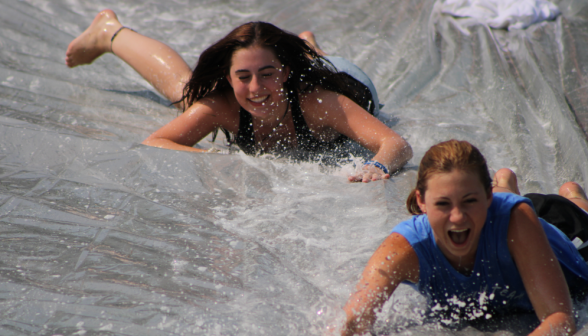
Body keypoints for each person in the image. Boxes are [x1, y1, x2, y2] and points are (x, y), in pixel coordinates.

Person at [65, 10, 413, 183]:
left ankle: (308, 50)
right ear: (229, 79)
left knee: (306, 69)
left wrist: (378, 167)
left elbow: (395, 145)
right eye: (242, 77)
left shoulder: (320, 103)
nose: (256, 89)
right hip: (292, 68)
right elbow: (156, 142)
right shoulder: (223, 106)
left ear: (284, 73)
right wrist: (227, 162)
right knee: (188, 95)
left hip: (342, 77)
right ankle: (108, 31)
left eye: (266, 75)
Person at [340, 139, 588, 335]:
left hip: (562, 232)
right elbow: (353, 321)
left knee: (574, 211)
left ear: (487, 197)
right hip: (492, 214)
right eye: (443, 204)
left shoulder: (516, 221)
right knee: (488, 211)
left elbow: (561, 319)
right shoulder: (405, 247)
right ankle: (504, 184)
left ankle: (572, 195)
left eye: (469, 201)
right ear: (421, 201)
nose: (457, 217)